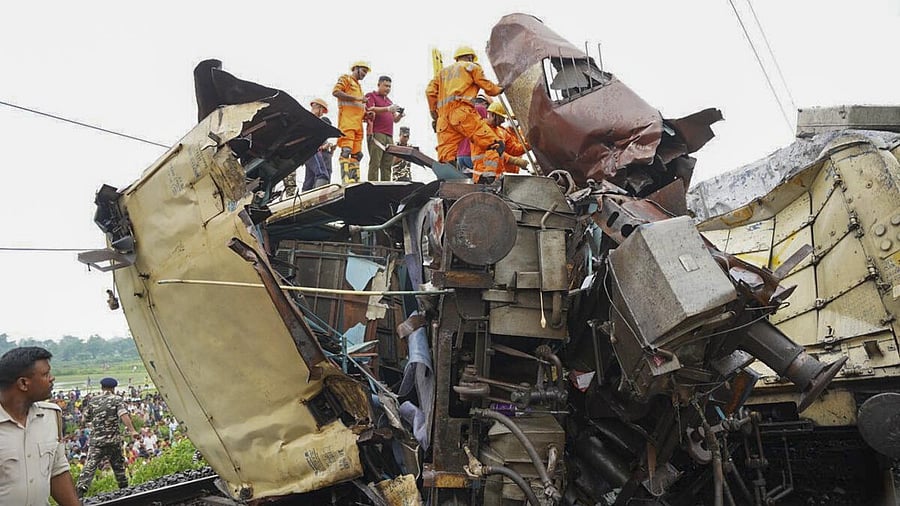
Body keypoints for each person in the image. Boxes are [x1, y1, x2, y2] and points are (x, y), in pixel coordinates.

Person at [0, 347, 81, 506]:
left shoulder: (50, 416)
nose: (52, 378)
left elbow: (57, 472)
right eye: (45, 374)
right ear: (23, 383)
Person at [425, 46, 504, 170]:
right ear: (470, 57)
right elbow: (487, 86)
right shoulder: (471, 67)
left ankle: (450, 173)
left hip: (443, 119)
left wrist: (434, 114)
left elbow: (430, 92)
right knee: (493, 143)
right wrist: (498, 89)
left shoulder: (441, 73)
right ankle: (487, 175)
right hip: (462, 112)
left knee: (447, 154)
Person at [75, 377, 139, 498]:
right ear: (114, 388)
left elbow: (84, 420)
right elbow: (123, 415)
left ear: (101, 387)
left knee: (90, 467)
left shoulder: (93, 400)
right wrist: (132, 430)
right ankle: (125, 493)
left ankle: (79, 493)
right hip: (113, 441)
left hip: (97, 442)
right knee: (118, 468)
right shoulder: (116, 399)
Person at [332, 61, 371, 185]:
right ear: (356, 69)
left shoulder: (359, 87)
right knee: (346, 151)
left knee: (357, 154)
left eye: (366, 72)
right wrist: (356, 98)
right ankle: (346, 180)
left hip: (358, 125)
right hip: (347, 123)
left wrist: (367, 114)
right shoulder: (346, 79)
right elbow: (336, 92)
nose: (364, 74)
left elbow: (358, 106)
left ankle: (354, 180)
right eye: (363, 71)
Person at [472, 101, 529, 183]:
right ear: (493, 115)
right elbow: (494, 150)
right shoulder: (480, 129)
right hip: (483, 175)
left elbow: (513, 149)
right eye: (502, 117)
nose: (503, 120)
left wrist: (530, 145)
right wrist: (514, 160)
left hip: (498, 176)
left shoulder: (501, 131)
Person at [365, 75, 405, 181]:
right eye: (385, 85)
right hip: (377, 133)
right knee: (375, 162)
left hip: (389, 135)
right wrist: (387, 109)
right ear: (379, 85)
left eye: (389, 86)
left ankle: (386, 187)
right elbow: (370, 109)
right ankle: (372, 188)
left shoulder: (389, 101)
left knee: (387, 164)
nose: (388, 89)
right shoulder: (371, 95)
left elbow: (395, 120)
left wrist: (400, 115)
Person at [302, 98, 337, 192]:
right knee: (322, 174)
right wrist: (322, 147)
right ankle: (318, 197)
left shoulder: (307, 119)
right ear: (319, 108)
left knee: (309, 178)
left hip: (305, 151)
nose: (322, 114)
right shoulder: (312, 120)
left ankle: (303, 201)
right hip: (311, 149)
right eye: (322, 111)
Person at [456, 94, 490, 173]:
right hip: (471, 155)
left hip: (460, 156)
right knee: (480, 181)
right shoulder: (481, 109)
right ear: (485, 104)